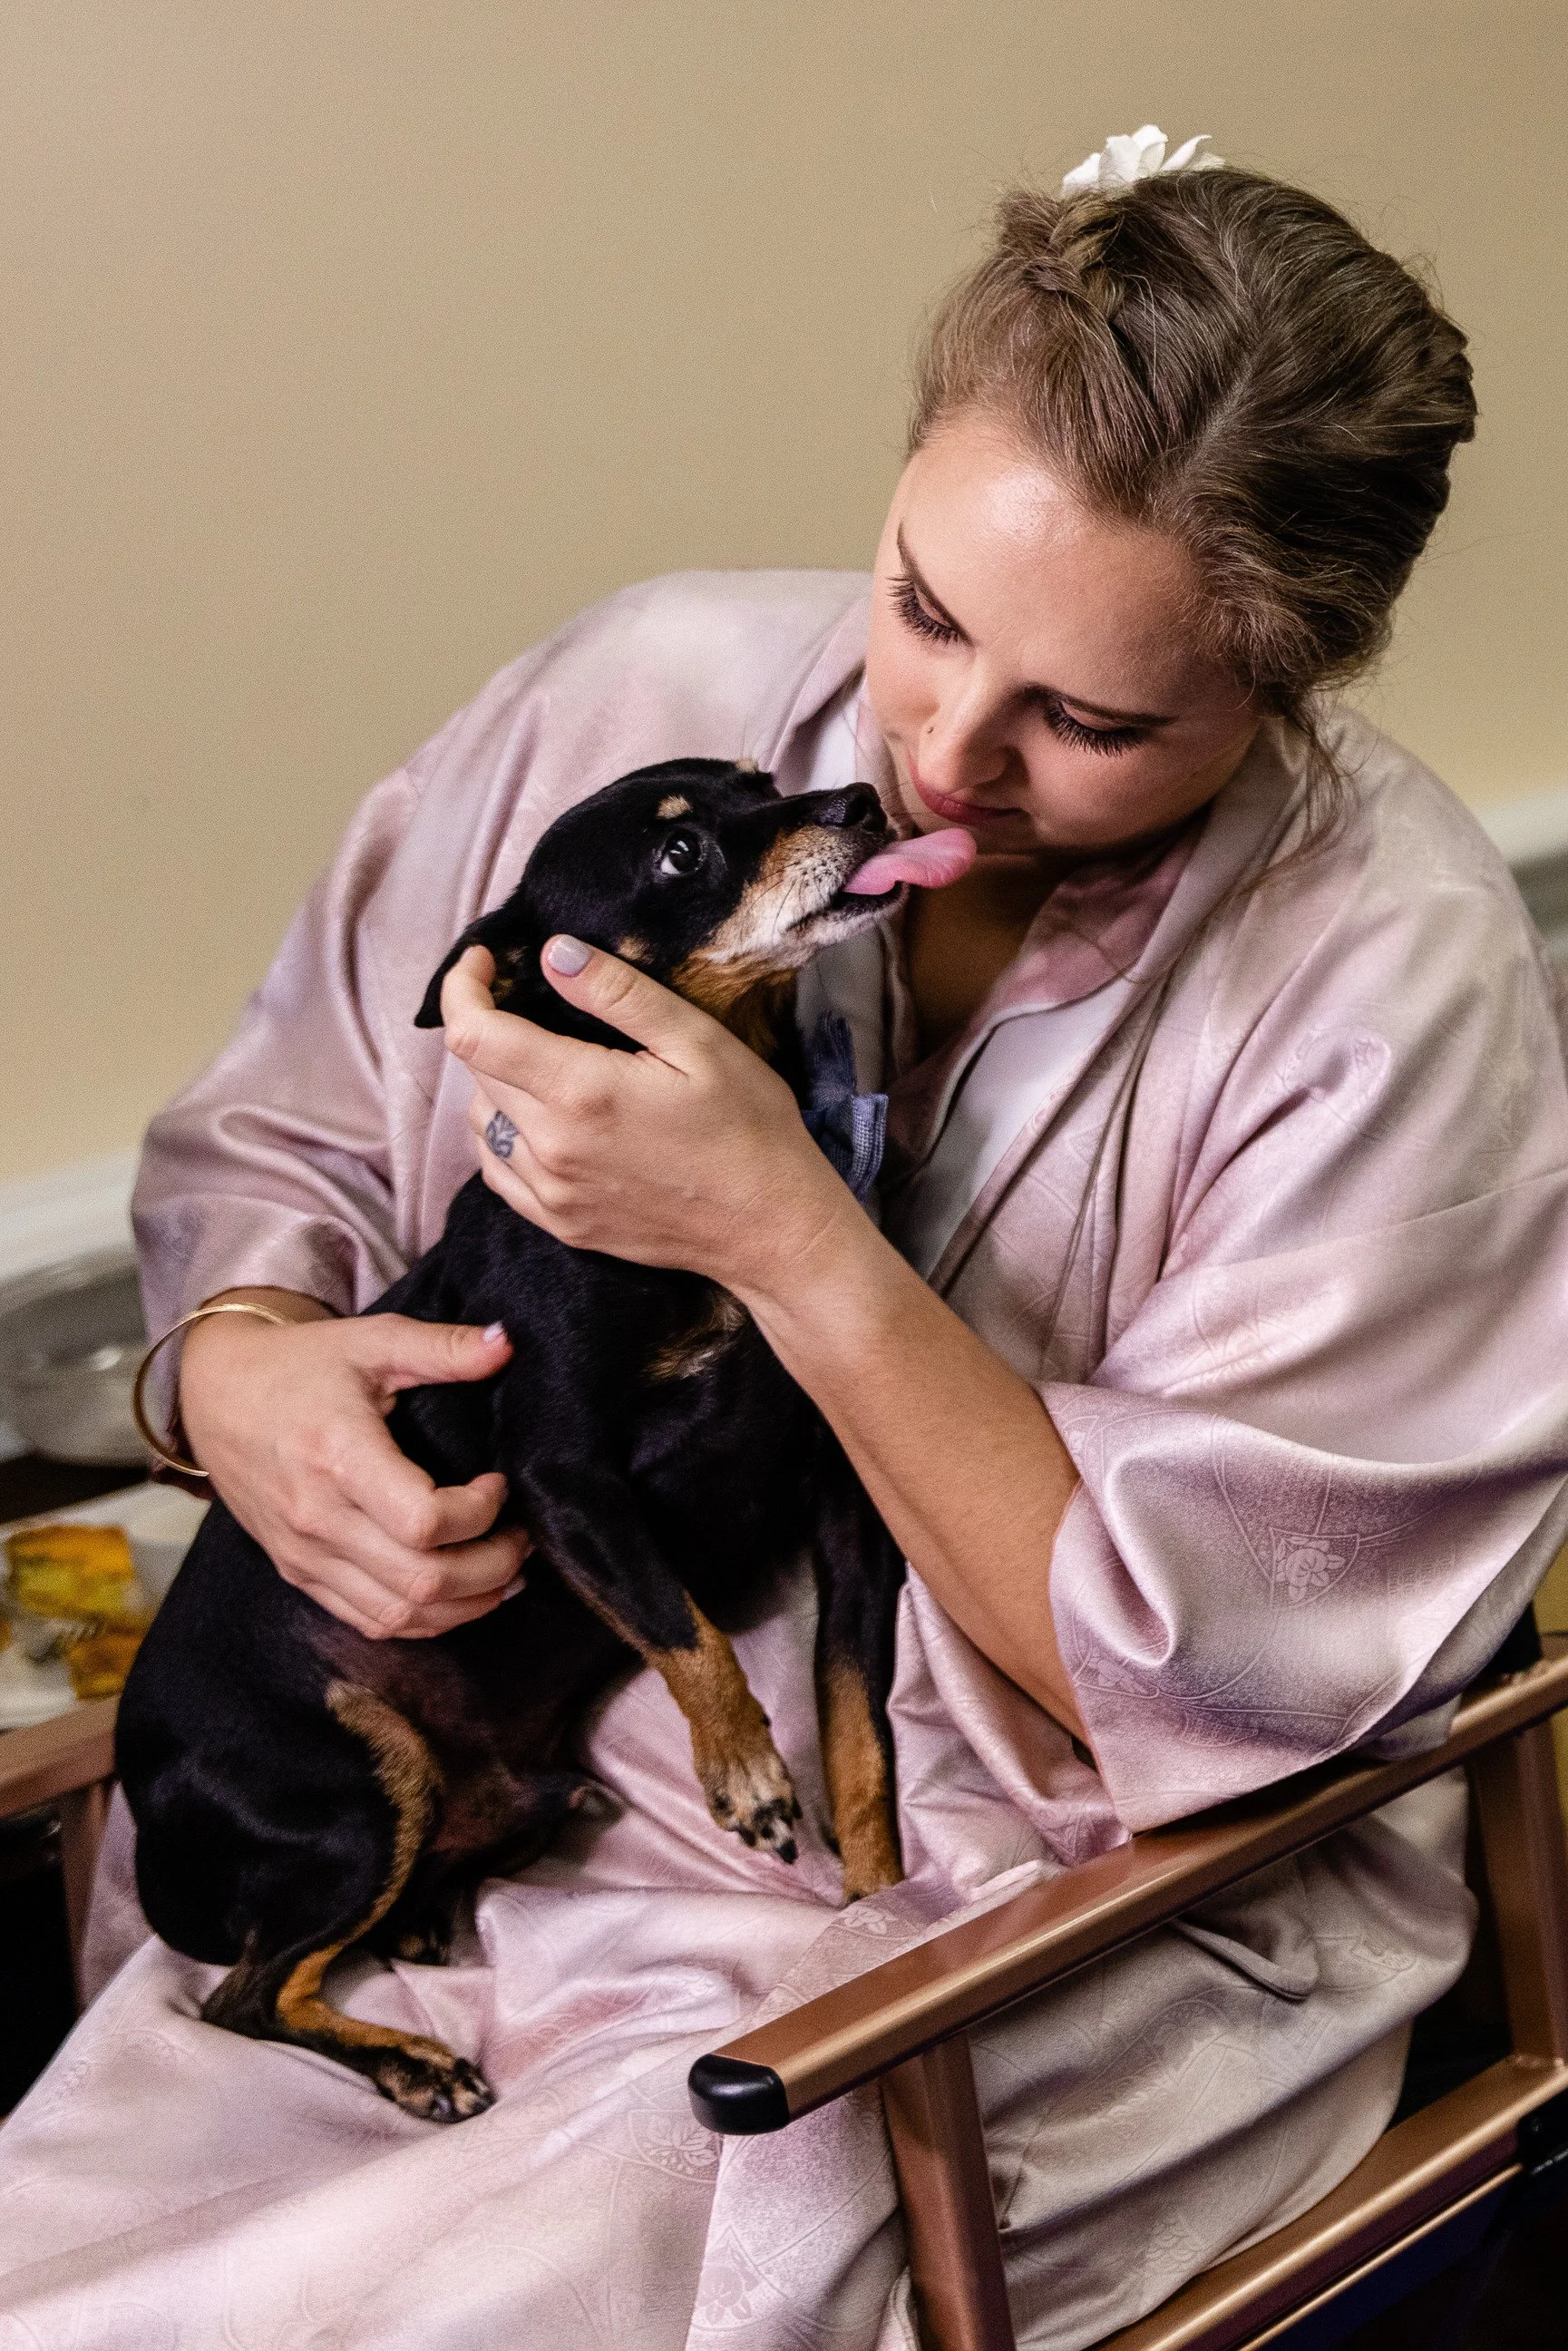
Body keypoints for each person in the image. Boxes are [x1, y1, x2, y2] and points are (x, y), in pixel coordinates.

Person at [5, 134, 1567, 2351]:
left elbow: (1215, 1689)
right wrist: (242, 1365)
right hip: (481, 1831)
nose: (947, 750)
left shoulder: (1388, 983)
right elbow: (283, 1128)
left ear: (1291, 682)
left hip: (1029, 1917)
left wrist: (790, 1241)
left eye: (1098, 724)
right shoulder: (640, 706)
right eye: (925, 606)